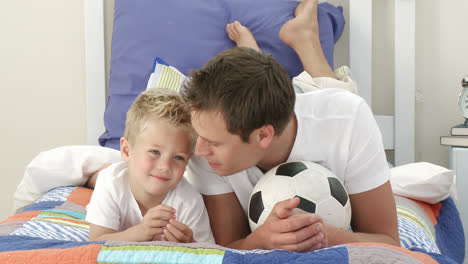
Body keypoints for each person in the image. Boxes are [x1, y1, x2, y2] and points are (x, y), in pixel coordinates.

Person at [182, 0, 399, 252]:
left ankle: (305, 35)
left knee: (333, 87)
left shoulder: (349, 121)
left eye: (214, 143)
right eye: (200, 137)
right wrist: (261, 240)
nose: (198, 150)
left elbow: (390, 244)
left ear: (263, 135)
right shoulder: (204, 145)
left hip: (311, 101)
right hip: (282, 103)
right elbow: (227, 247)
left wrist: (322, 233)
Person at [86, 88, 214, 243]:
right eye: (155, 152)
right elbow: (97, 242)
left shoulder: (189, 200)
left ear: (188, 161)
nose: (165, 166)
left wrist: (190, 243)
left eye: (178, 157)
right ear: (126, 150)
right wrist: (140, 233)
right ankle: (90, 176)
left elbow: (207, 253)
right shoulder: (110, 183)